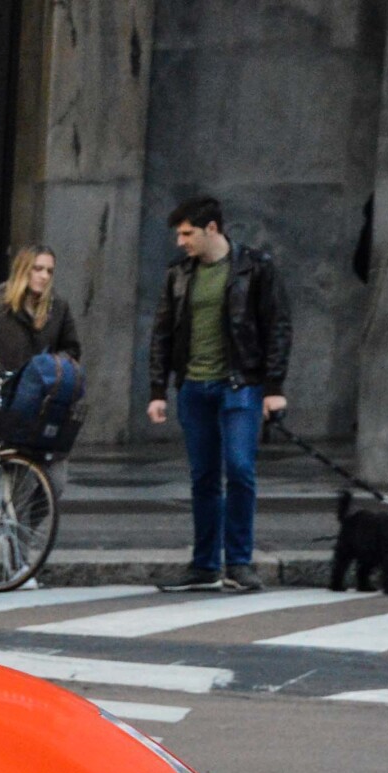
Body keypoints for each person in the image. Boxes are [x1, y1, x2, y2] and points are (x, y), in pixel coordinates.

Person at [146, 195, 291, 593]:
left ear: (212, 229)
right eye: (179, 234)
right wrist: (158, 389)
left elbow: (277, 326)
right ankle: (205, 564)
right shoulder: (179, 273)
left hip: (240, 385)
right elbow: (162, 333)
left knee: (240, 470)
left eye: (187, 233)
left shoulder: (255, 267)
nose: (181, 241)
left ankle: (239, 563)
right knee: (204, 477)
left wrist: (274, 388)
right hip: (194, 387)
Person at [0, 244, 83, 492]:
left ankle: (28, 529)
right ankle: (15, 530)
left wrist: (50, 366)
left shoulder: (58, 307)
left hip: (49, 404)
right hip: (15, 405)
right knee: (18, 482)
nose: (44, 276)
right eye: (38, 269)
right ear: (23, 270)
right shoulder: (1, 306)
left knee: (55, 483)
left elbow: (72, 349)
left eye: (49, 271)